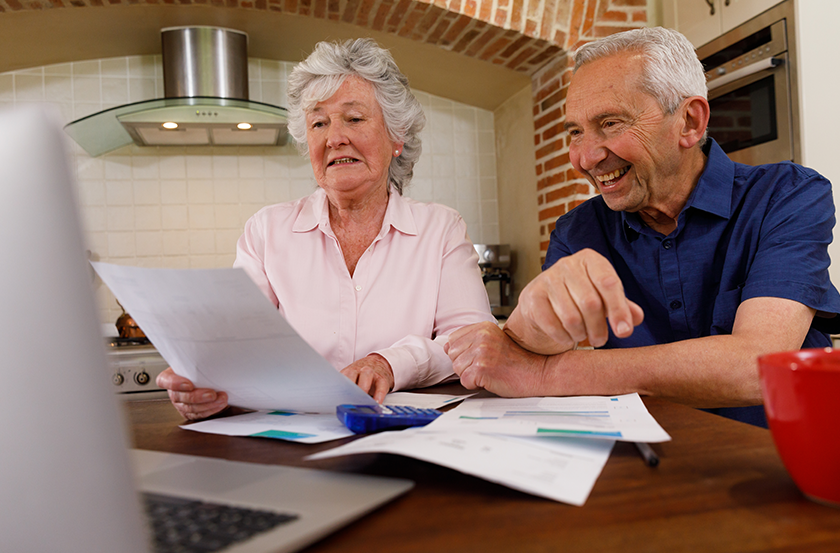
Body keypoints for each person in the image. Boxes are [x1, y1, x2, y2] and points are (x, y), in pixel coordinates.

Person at [445, 27, 840, 427]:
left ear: (689, 121)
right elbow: (523, 356)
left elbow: (759, 365)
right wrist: (528, 322)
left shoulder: (787, 196)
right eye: (576, 132)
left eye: (611, 123)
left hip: (781, 461)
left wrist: (548, 374)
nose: (584, 157)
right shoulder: (578, 232)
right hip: (647, 463)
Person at [158, 38, 494, 420]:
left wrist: (390, 363)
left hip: (405, 435)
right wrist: (208, 385)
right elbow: (236, 344)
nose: (334, 138)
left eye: (354, 118)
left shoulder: (441, 229)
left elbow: (474, 340)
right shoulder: (266, 232)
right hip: (292, 440)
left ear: (396, 137)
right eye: (319, 122)